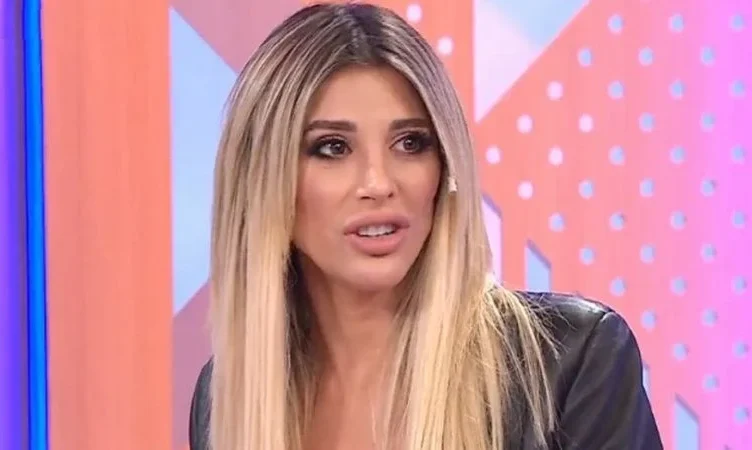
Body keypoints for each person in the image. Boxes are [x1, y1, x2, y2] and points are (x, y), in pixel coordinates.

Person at [188, 3, 663, 449]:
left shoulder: (573, 361)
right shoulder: (227, 395)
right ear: (262, 180)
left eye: (411, 143)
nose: (379, 183)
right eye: (332, 147)